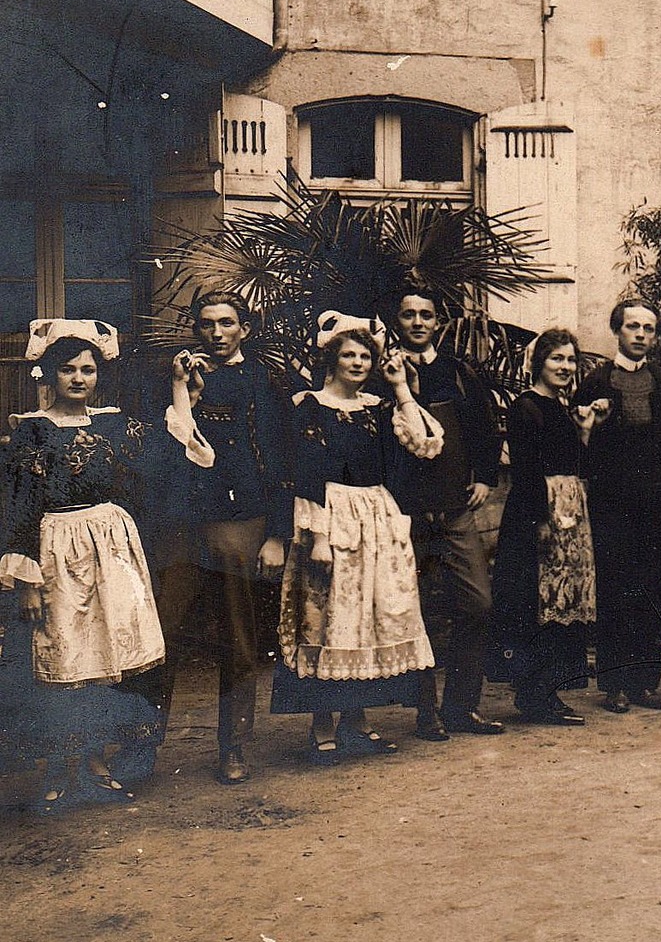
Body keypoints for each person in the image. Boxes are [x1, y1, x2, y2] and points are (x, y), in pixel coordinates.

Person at [0, 320, 170, 810]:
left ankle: (95, 762)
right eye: (68, 369)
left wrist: (183, 394)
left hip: (110, 548)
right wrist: (28, 580)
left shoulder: (113, 423)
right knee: (62, 658)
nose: (78, 378)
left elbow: (156, 460)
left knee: (103, 660)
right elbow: (21, 503)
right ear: (48, 375)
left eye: (88, 369)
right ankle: (59, 768)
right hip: (57, 548)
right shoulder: (32, 429)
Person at [134, 290, 294, 786]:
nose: (217, 333)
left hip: (239, 520)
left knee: (237, 638)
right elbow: (160, 457)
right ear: (195, 328)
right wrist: (186, 393)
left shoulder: (265, 381)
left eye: (227, 323)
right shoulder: (174, 379)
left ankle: (234, 747)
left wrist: (277, 534)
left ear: (245, 328)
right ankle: (141, 749)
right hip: (182, 524)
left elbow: (284, 461)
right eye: (207, 324)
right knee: (161, 634)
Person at [271, 312, 442, 763]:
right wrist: (320, 536)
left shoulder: (378, 408)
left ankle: (357, 720)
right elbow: (304, 473)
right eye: (349, 354)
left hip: (377, 520)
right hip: (331, 518)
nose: (358, 362)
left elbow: (425, 444)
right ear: (332, 358)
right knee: (329, 618)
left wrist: (401, 386)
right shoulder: (307, 405)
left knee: (371, 618)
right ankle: (322, 723)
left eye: (366, 355)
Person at [381, 290, 505, 740]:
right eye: (408, 313)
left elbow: (485, 430)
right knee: (412, 609)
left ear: (438, 322)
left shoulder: (458, 372)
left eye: (426, 315)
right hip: (404, 511)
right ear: (396, 319)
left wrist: (486, 478)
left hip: (454, 508)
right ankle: (425, 711)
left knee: (477, 602)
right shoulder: (382, 373)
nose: (417, 322)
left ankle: (462, 707)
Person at [576, 299, 661, 713]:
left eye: (648, 329)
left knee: (651, 590)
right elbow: (581, 448)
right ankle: (613, 684)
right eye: (633, 326)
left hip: (658, 505)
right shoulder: (595, 382)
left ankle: (645, 684)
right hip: (612, 505)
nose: (641, 335)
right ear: (618, 329)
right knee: (616, 590)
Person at [490, 328, 597, 726]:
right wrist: (542, 522)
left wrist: (584, 432)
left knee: (561, 603)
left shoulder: (561, 408)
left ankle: (547, 691)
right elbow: (528, 467)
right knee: (536, 603)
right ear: (540, 362)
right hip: (539, 514)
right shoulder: (526, 407)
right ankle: (534, 694)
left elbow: (577, 464)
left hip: (570, 517)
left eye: (571, 360)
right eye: (557, 359)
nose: (565, 367)